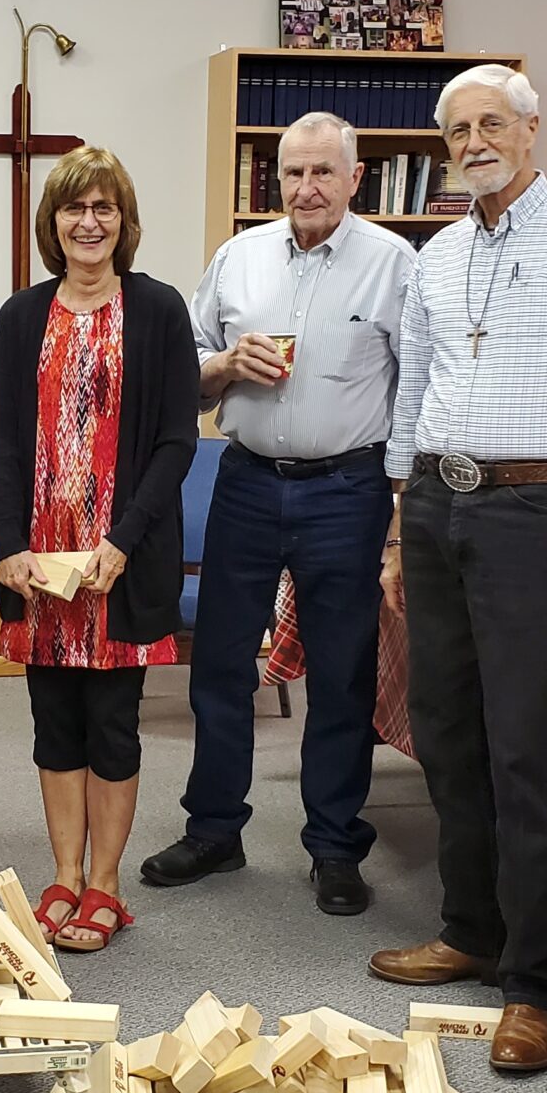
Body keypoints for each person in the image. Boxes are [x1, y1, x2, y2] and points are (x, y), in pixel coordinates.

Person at [370, 66, 547, 1078]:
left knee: (523, 747)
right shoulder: (437, 254)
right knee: (446, 732)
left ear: (532, 129)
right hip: (437, 504)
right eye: (457, 130)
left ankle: (534, 984)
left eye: (492, 123)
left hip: (538, 510)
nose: (474, 142)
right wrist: (400, 526)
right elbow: (414, 390)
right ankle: (471, 929)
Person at [140, 115, 413, 917]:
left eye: (324, 172)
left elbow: (420, 390)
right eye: (294, 173)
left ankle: (334, 845)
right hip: (248, 481)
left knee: (341, 673)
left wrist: (402, 514)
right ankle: (214, 829)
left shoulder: (394, 264)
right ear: (277, 178)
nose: (307, 188)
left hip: (349, 489)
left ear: (355, 178)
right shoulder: (239, 257)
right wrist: (224, 364)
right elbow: (185, 372)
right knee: (222, 666)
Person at [0, 148, 198, 952]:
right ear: (54, 222)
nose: (88, 222)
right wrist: (11, 547)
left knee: (112, 724)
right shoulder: (22, 316)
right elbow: (5, 442)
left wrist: (122, 540)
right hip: (40, 569)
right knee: (54, 724)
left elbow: (177, 440)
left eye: (103, 207)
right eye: (74, 208)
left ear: (123, 220)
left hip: (121, 563)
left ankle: (105, 883)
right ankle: (64, 876)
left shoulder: (159, 310)